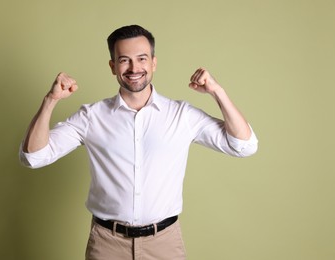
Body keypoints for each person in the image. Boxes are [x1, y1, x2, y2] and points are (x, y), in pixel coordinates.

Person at [19, 25, 258, 260]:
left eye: (142, 58)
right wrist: (51, 100)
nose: (134, 68)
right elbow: (34, 157)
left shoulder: (181, 115)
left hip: (164, 243)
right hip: (107, 244)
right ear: (113, 66)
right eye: (124, 60)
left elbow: (244, 145)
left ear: (153, 62)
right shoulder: (91, 117)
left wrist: (217, 91)